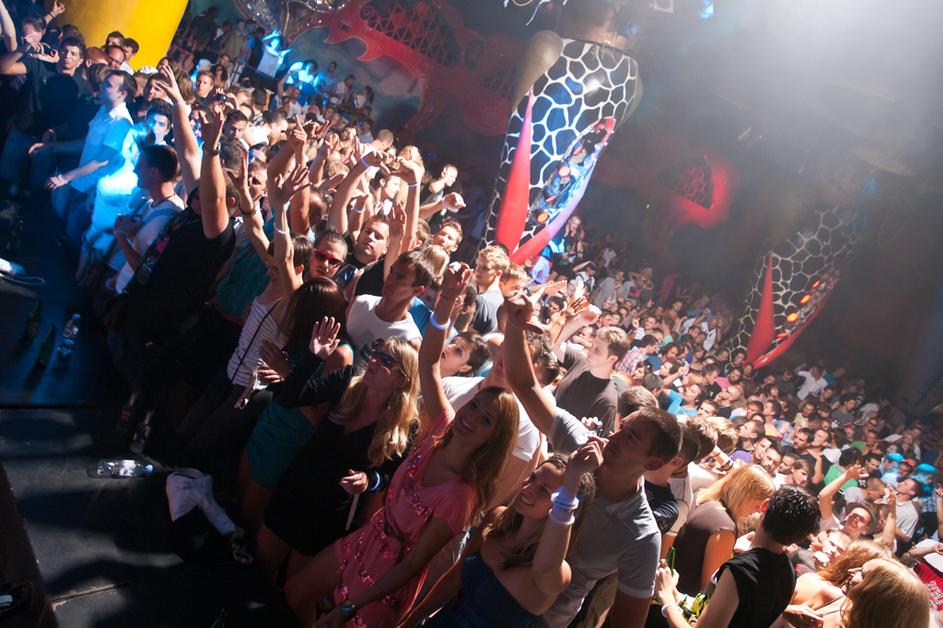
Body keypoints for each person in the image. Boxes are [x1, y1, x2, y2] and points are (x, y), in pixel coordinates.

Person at [284, 264, 520, 627]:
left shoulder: (460, 495)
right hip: (365, 540)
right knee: (295, 591)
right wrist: (448, 299)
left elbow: (413, 564)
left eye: (486, 420)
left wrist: (351, 606)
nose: (472, 417)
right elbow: (429, 361)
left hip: (386, 581)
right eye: (474, 406)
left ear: (494, 439)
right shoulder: (442, 427)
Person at [503, 290, 681, 628]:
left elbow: (627, 623)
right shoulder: (581, 443)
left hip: (539, 621)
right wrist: (514, 329)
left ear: (653, 463)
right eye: (622, 428)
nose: (613, 438)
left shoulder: (641, 534)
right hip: (492, 579)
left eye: (630, 438)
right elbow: (524, 385)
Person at [257, 327, 421, 583]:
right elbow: (291, 398)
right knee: (259, 567)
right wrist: (315, 357)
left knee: (290, 587)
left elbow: (388, 476)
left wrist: (369, 480)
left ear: (403, 380)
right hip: (294, 488)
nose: (374, 361)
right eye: (376, 353)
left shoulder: (404, 426)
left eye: (386, 361)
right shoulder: (347, 379)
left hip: (328, 512)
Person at [403, 450, 600, 627]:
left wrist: (573, 480)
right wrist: (409, 621)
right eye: (533, 477)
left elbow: (546, 568)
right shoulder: (497, 520)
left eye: (544, 490)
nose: (528, 488)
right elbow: (453, 579)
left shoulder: (557, 573)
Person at [655, 486, 822, 628]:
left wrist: (667, 598)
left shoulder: (740, 571)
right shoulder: (789, 573)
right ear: (801, 537)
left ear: (764, 506)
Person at [46, 69, 135, 246]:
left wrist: (64, 178)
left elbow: (102, 160)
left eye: (108, 85)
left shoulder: (120, 122)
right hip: (80, 184)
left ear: (122, 94)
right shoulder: (103, 110)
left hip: (91, 191)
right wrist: (51, 147)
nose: (102, 85)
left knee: (74, 237)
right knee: (64, 232)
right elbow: (85, 143)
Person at [672, 464, 775, 595]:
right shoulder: (725, 528)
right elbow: (709, 590)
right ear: (746, 497)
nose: (758, 511)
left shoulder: (706, 502)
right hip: (681, 599)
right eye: (758, 505)